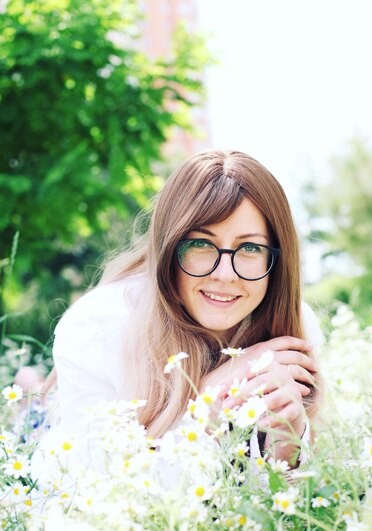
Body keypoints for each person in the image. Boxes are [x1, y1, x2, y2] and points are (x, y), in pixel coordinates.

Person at [42, 149, 323, 467]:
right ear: (169, 247)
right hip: (54, 451)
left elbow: (288, 496)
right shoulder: (98, 327)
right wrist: (209, 400)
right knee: (34, 409)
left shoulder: (295, 330)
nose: (225, 275)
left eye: (250, 248)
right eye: (201, 244)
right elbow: (106, 489)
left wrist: (288, 437)